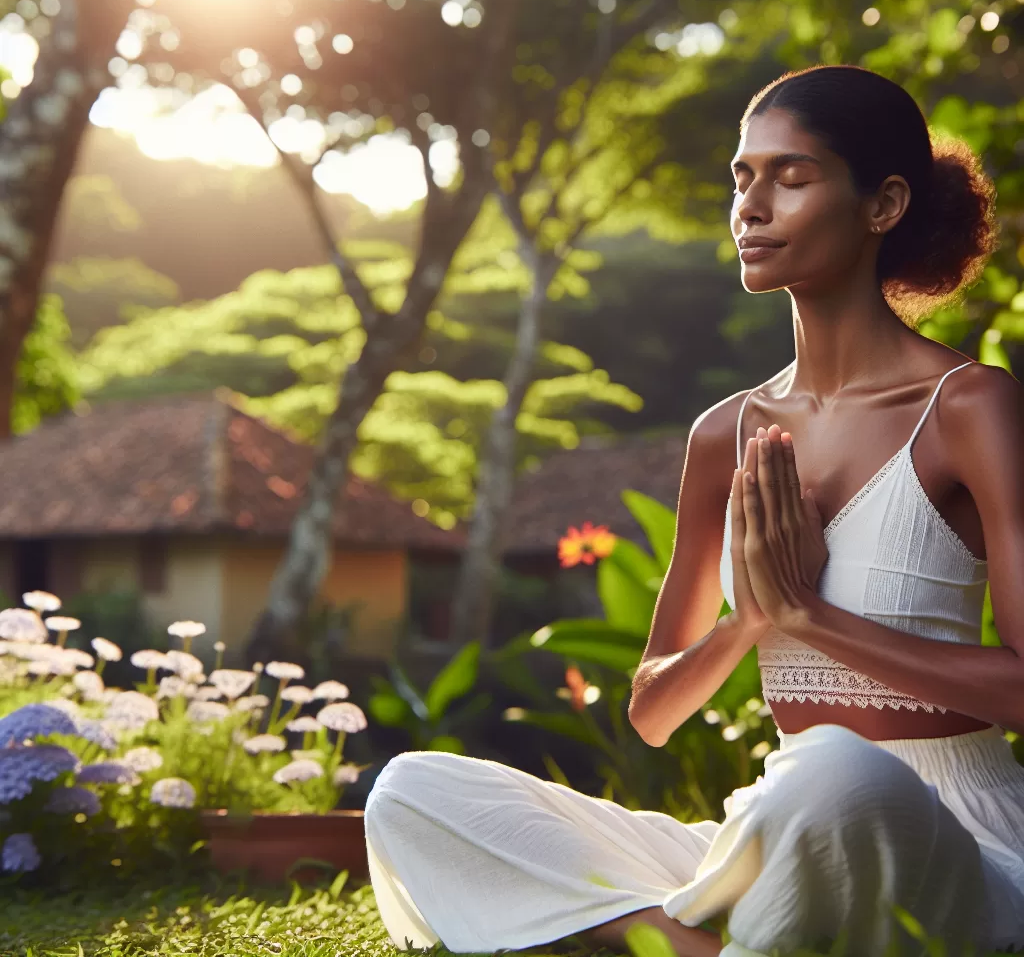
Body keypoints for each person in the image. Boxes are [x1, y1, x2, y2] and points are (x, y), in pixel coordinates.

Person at [363, 65, 1024, 956]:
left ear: (884, 204)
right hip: (777, 819)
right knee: (412, 789)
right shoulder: (727, 433)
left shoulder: (969, 406)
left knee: (836, 773)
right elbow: (652, 710)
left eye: (792, 177)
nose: (751, 205)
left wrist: (809, 617)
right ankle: (695, 943)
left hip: (958, 838)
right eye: (742, 178)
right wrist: (746, 624)